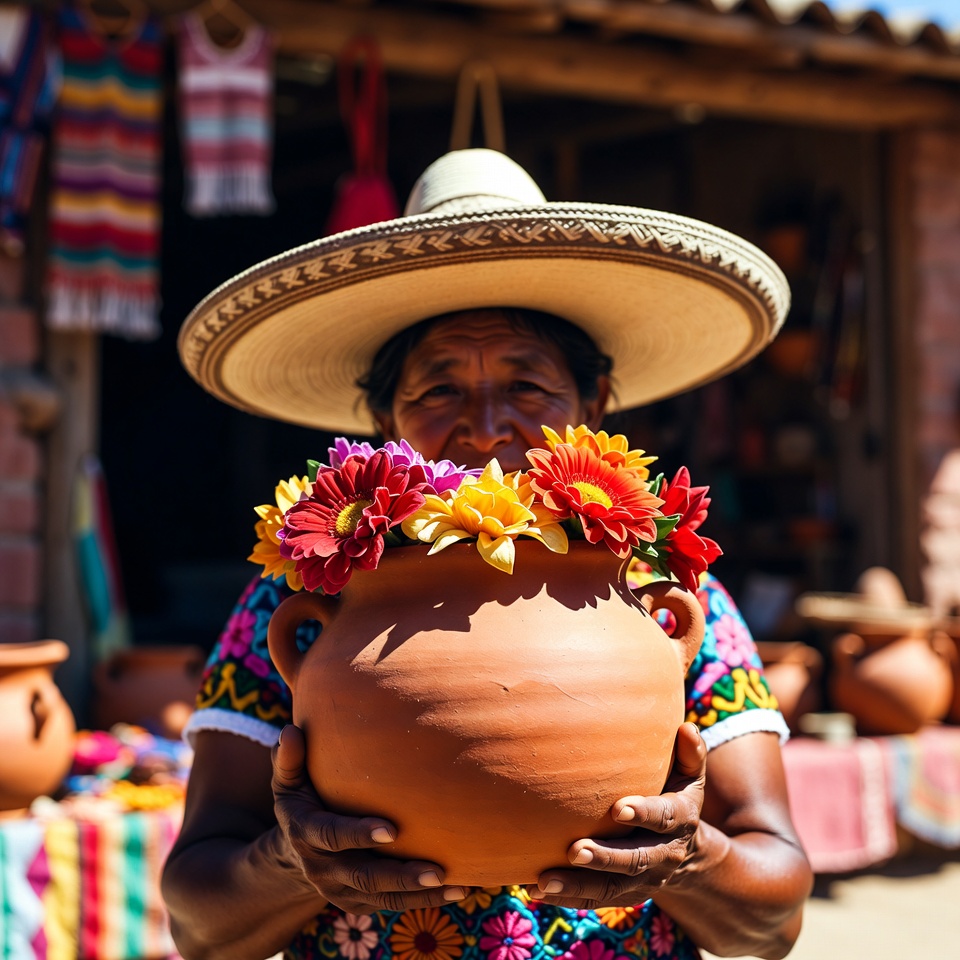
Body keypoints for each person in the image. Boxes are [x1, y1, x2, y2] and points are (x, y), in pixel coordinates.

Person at [163, 149, 812, 960]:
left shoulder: (665, 593)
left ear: (594, 405)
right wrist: (291, 866)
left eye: (528, 386)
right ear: (383, 425)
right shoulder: (304, 597)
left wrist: (691, 859)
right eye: (438, 389)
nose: (486, 426)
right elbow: (198, 926)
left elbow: (774, 921)